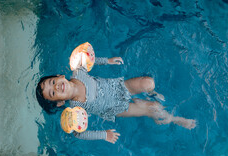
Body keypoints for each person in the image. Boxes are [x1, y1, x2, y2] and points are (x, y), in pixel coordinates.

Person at [36, 56, 196, 143]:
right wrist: (103, 135)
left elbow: (89, 60)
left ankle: (152, 93)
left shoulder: (78, 72)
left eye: (52, 83)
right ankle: (175, 119)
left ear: (60, 77)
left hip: (119, 87)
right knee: (153, 109)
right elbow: (79, 134)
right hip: (117, 108)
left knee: (148, 83)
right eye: (52, 93)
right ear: (59, 102)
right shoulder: (77, 108)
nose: (56, 87)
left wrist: (107, 61)